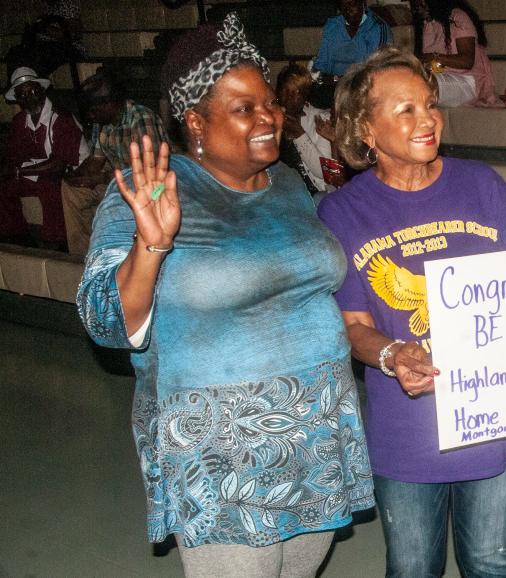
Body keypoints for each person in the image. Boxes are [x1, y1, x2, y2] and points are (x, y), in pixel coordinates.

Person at [76, 14, 374, 577]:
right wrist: (151, 247)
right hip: (221, 452)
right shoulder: (151, 190)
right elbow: (104, 321)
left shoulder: (289, 184)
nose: (269, 117)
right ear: (195, 121)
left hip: (316, 433)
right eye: (244, 108)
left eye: (269, 104)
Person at [317, 47, 506, 577]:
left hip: (492, 410)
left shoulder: (482, 186)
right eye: (405, 109)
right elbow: (353, 327)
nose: (428, 119)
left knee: (489, 558)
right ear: (366, 129)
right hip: (406, 421)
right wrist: (391, 354)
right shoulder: (341, 212)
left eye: (429, 104)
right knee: (412, 566)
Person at [62, 69, 168, 255]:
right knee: (71, 190)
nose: (90, 116)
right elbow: (96, 160)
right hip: (117, 182)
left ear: (109, 104)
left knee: (128, 195)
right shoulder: (104, 124)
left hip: (152, 185)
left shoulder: (141, 119)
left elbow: (150, 171)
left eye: (93, 110)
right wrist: (76, 175)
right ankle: (82, 255)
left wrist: (100, 179)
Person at [0, 67, 89, 249]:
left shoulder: (60, 118)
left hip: (71, 170)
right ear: (17, 99)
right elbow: (14, 155)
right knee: (4, 186)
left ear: (41, 90)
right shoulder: (19, 121)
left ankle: (56, 242)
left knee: (51, 189)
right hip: (37, 172)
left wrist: (18, 171)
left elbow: (59, 164)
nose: (29, 98)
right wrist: (13, 170)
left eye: (32, 91)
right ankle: (17, 237)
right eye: (22, 95)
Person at [411, 0, 501, 107]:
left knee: (422, 85)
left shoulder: (457, 17)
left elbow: (467, 61)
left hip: (466, 81)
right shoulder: (427, 23)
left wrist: (435, 57)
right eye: (417, 4)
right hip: (439, 75)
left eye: (423, 3)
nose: (419, 7)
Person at [276, 63, 340, 202]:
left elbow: (329, 175)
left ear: (305, 96)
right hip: (283, 193)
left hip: (315, 194)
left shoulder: (320, 119)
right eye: (285, 91)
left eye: (296, 93)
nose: (289, 99)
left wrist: (299, 134)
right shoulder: (270, 119)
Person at [311, 0, 393, 80]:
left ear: (363, 3)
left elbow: (378, 69)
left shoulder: (377, 28)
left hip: (363, 85)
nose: (348, 10)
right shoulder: (333, 25)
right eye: (344, 5)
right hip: (333, 84)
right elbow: (322, 63)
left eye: (352, 4)